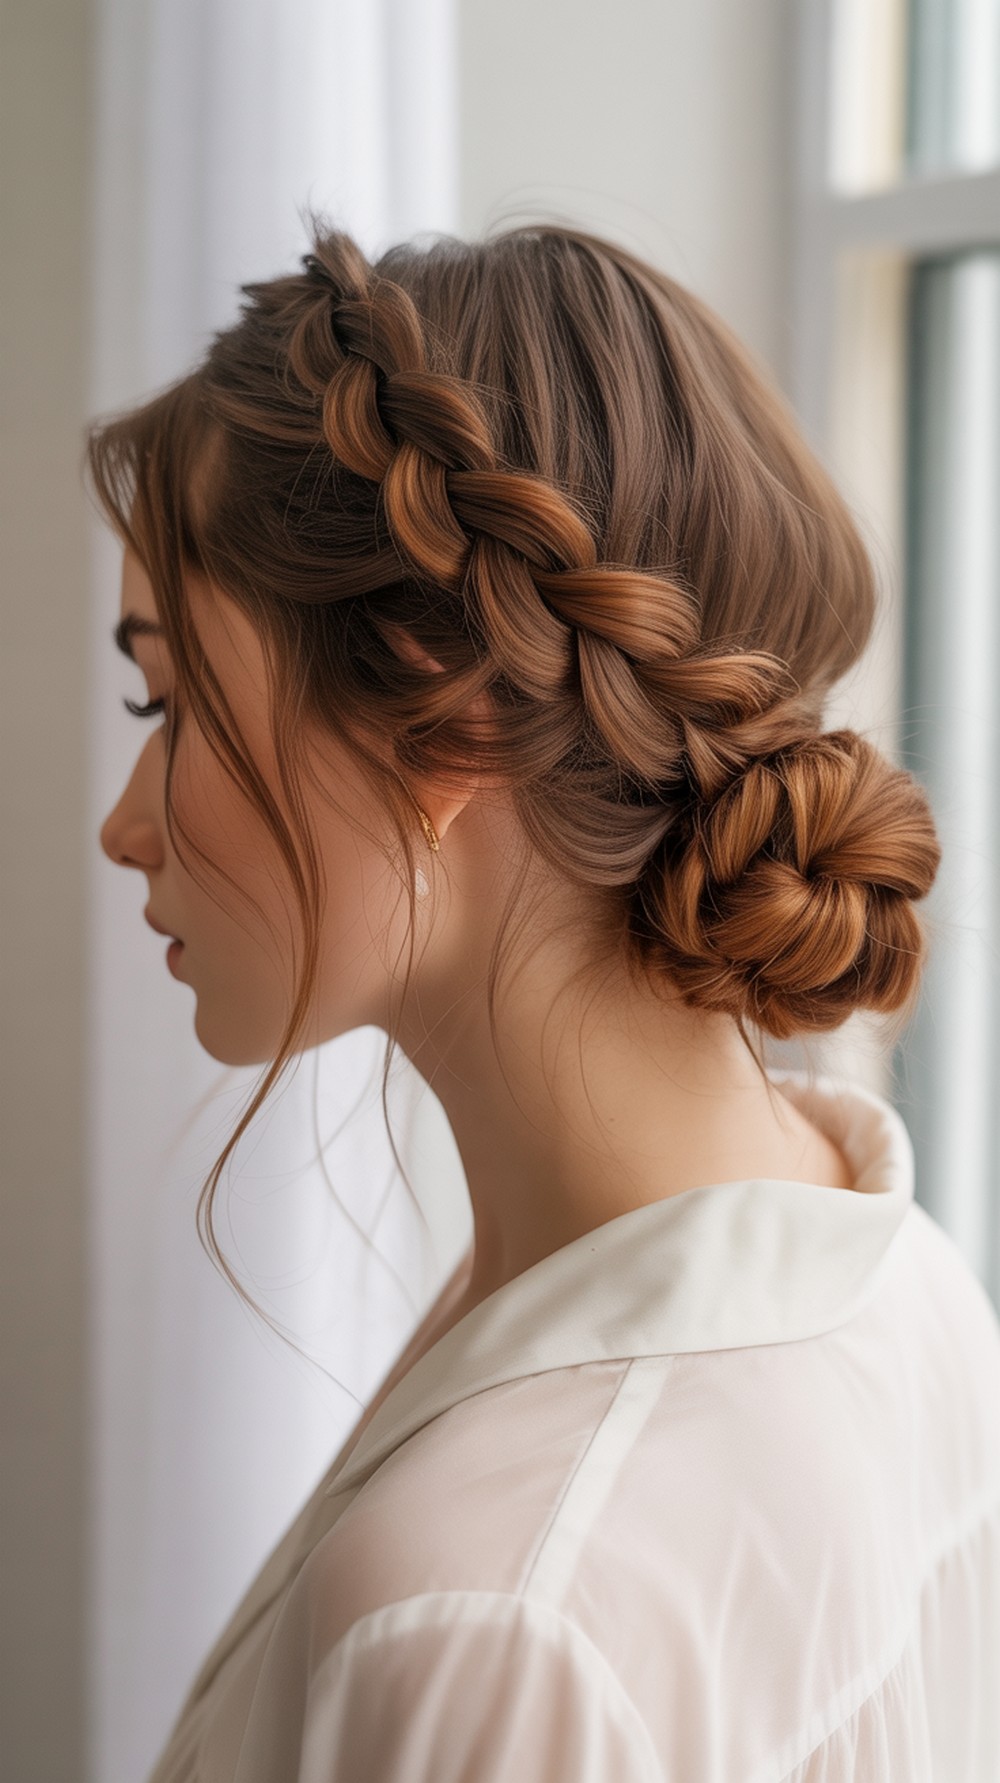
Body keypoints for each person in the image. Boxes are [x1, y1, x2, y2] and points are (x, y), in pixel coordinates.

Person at [94, 223, 1000, 1782]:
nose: (125, 820)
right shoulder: (896, 1280)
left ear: (451, 723)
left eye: (170, 702)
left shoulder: (491, 1614)